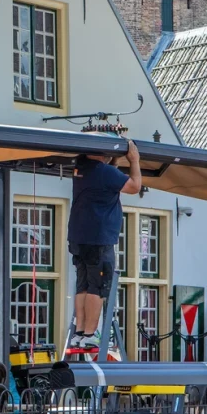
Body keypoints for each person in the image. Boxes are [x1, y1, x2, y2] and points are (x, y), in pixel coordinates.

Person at [68, 136, 142, 349]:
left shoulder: (81, 168)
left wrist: (113, 161)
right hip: (99, 237)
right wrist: (134, 160)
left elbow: (107, 175)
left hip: (78, 236)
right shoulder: (106, 173)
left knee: (82, 284)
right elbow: (135, 186)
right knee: (97, 287)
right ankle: (92, 333)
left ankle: (80, 332)